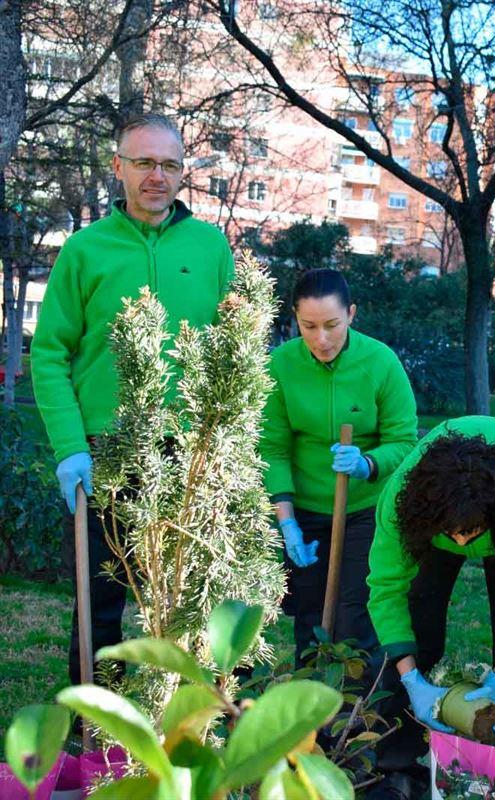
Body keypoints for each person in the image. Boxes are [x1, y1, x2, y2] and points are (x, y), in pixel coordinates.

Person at [31, 113, 235, 685]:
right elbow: (49, 355)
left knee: (180, 602)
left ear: (182, 172)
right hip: (105, 450)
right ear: (118, 167)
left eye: (169, 165)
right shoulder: (84, 251)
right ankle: (94, 732)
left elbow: (233, 351)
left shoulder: (212, 247)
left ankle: (171, 730)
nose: (157, 176)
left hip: (188, 453)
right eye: (144, 162)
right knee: (99, 601)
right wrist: (72, 448)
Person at [366, 417, 495, 800]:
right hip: (434, 520)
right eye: (453, 533)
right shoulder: (403, 503)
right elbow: (386, 590)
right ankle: (396, 775)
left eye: (469, 532)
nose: (460, 540)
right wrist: (411, 679)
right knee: (412, 636)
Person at [259, 268, 418, 668]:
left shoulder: (380, 363)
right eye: (308, 326)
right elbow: (272, 448)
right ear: (294, 318)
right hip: (306, 511)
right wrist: (287, 522)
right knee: (309, 614)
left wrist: (368, 463)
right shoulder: (280, 365)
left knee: (355, 613)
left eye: (332, 324)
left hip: (365, 508)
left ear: (351, 313)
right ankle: (311, 714)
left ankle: (354, 716)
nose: (321, 339)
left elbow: (405, 442)